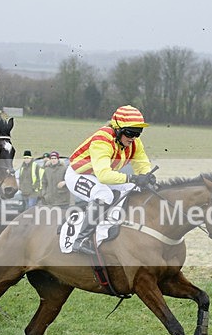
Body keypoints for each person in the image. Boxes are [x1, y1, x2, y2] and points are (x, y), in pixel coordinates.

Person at [65, 105, 155, 255]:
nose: (133, 138)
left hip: (100, 175)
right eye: (130, 132)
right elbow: (104, 176)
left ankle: (117, 224)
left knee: (133, 188)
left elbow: (142, 164)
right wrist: (132, 177)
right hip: (78, 175)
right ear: (118, 129)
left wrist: (148, 176)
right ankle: (80, 239)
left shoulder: (134, 143)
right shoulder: (102, 139)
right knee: (104, 195)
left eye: (138, 133)